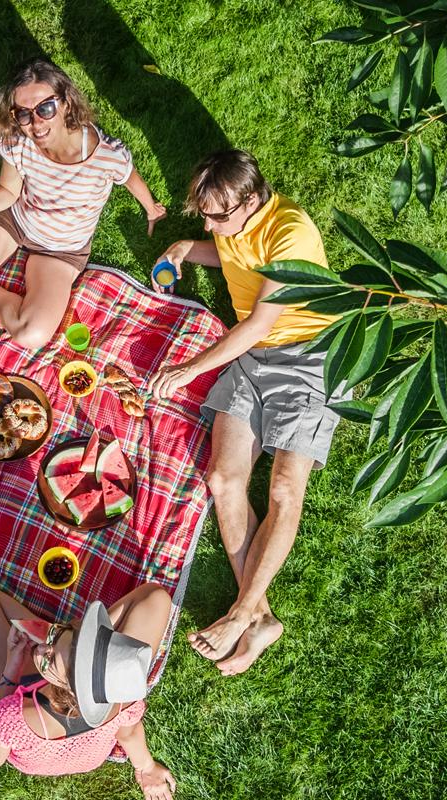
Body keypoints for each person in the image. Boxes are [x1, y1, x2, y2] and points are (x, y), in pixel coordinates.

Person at [146, 150, 344, 677]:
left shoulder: (291, 234)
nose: (212, 225)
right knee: (222, 479)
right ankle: (260, 616)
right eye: (204, 217)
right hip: (252, 358)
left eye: (217, 217)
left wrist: (189, 370)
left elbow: (258, 324)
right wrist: (192, 248)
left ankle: (241, 614)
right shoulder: (235, 224)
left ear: (252, 201)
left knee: (283, 488)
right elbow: (234, 255)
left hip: (308, 356)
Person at [0, 56, 167, 350]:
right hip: (15, 222)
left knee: (31, 334)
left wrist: (151, 208)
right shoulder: (18, 141)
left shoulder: (106, 156)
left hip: (62, 251)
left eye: (45, 108)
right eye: (23, 114)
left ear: (65, 102)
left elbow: (130, 176)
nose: (36, 123)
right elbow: (7, 190)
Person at [0, 580, 176, 800]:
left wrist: (10, 675)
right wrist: (146, 767)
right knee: (156, 597)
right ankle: (85, 647)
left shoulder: (15, 716)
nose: (41, 648)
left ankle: (80, 641)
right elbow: (129, 734)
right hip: (90, 757)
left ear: (68, 689)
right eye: (54, 636)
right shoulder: (124, 702)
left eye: (50, 660)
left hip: (23, 701)